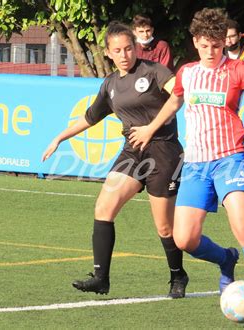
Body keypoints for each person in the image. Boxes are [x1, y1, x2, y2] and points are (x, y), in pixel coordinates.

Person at [130, 8, 244, 322]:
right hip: (195, 165)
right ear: (195, 42)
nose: (210, 51)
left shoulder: (237, 69)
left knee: (243, 226)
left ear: (224, 43)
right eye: (204, 45)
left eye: (216, 45)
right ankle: (225, 259)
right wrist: (151, 128)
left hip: (230, 159)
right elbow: (175, 99)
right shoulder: (188, 72)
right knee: (184, 239)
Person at [42, 22, 189, 298]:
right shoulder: (110, 84)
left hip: (164, 151)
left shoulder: (154, 71)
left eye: (129, 48)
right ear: (108, 53)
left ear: (136, 48)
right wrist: (59, 137)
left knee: (164, 226)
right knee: (103, 207)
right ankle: (101, 278)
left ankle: (177, 275)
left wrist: (150, 129)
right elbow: (90, 117)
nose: (124, 55)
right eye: (118, 50)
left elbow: (179, 95)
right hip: (133, 151)